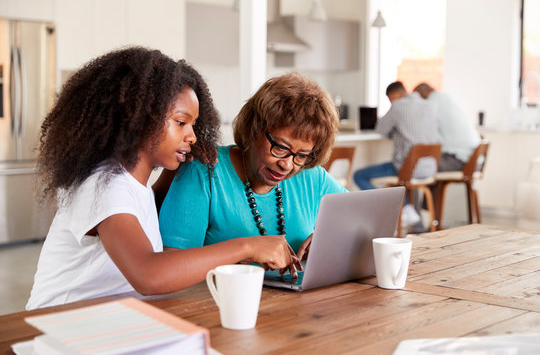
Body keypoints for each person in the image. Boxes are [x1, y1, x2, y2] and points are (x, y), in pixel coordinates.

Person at [26, 47, 299, 310]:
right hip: (57, 326)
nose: (192, 136)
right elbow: (148, 274)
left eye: (193, 125)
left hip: (111, 322)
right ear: (139, 118)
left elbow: (142, 219)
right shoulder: (102, 185)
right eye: (181, 122)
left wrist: (174, 172)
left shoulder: (133, 183)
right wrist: (248, 246)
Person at [159, 72, 347, 276]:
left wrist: (333, 236)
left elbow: (366, 221)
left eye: (302, 155)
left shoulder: (312, 177)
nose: (287, 164)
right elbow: (171, 267)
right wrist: (244, 249)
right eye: (281, 147)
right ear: (254, 128)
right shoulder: (205, 170)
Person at [353, 81, 439, 227]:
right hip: (430, 168)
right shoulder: (429, 105)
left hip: (408, 168)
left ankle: (397, 208)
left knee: (359, 175)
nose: (391, 103)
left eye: (390, 99)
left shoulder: (398, 106)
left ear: (396, 95)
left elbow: (380, 130)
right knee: (407, 182)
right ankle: (415, 221)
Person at [413, 83, 480, 171]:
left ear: (426, 91)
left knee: (418, 167)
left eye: (418, 97)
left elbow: (425, 127)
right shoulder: (446, 98)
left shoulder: (433, 99)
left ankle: (425, 185)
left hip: (461, 161)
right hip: (474, 160)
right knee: (424, 164)